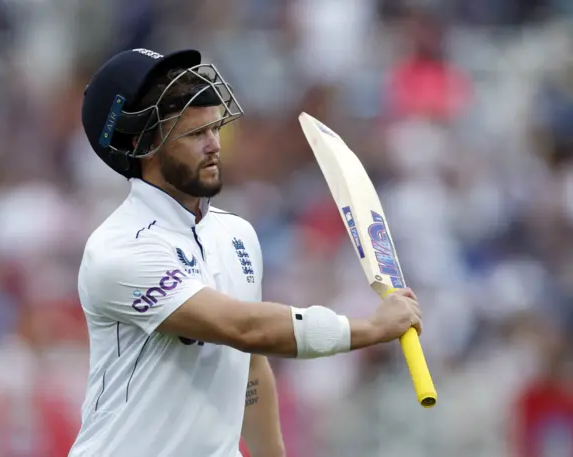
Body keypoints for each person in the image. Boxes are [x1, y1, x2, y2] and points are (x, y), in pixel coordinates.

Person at [70, 47, 423, 457]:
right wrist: (368, 329)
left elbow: (250, 365)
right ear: (142, 145)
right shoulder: (119, 248)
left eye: (215, 128)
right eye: (194, 134)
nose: (215, 145)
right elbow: (243, 328)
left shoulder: (237, 234)